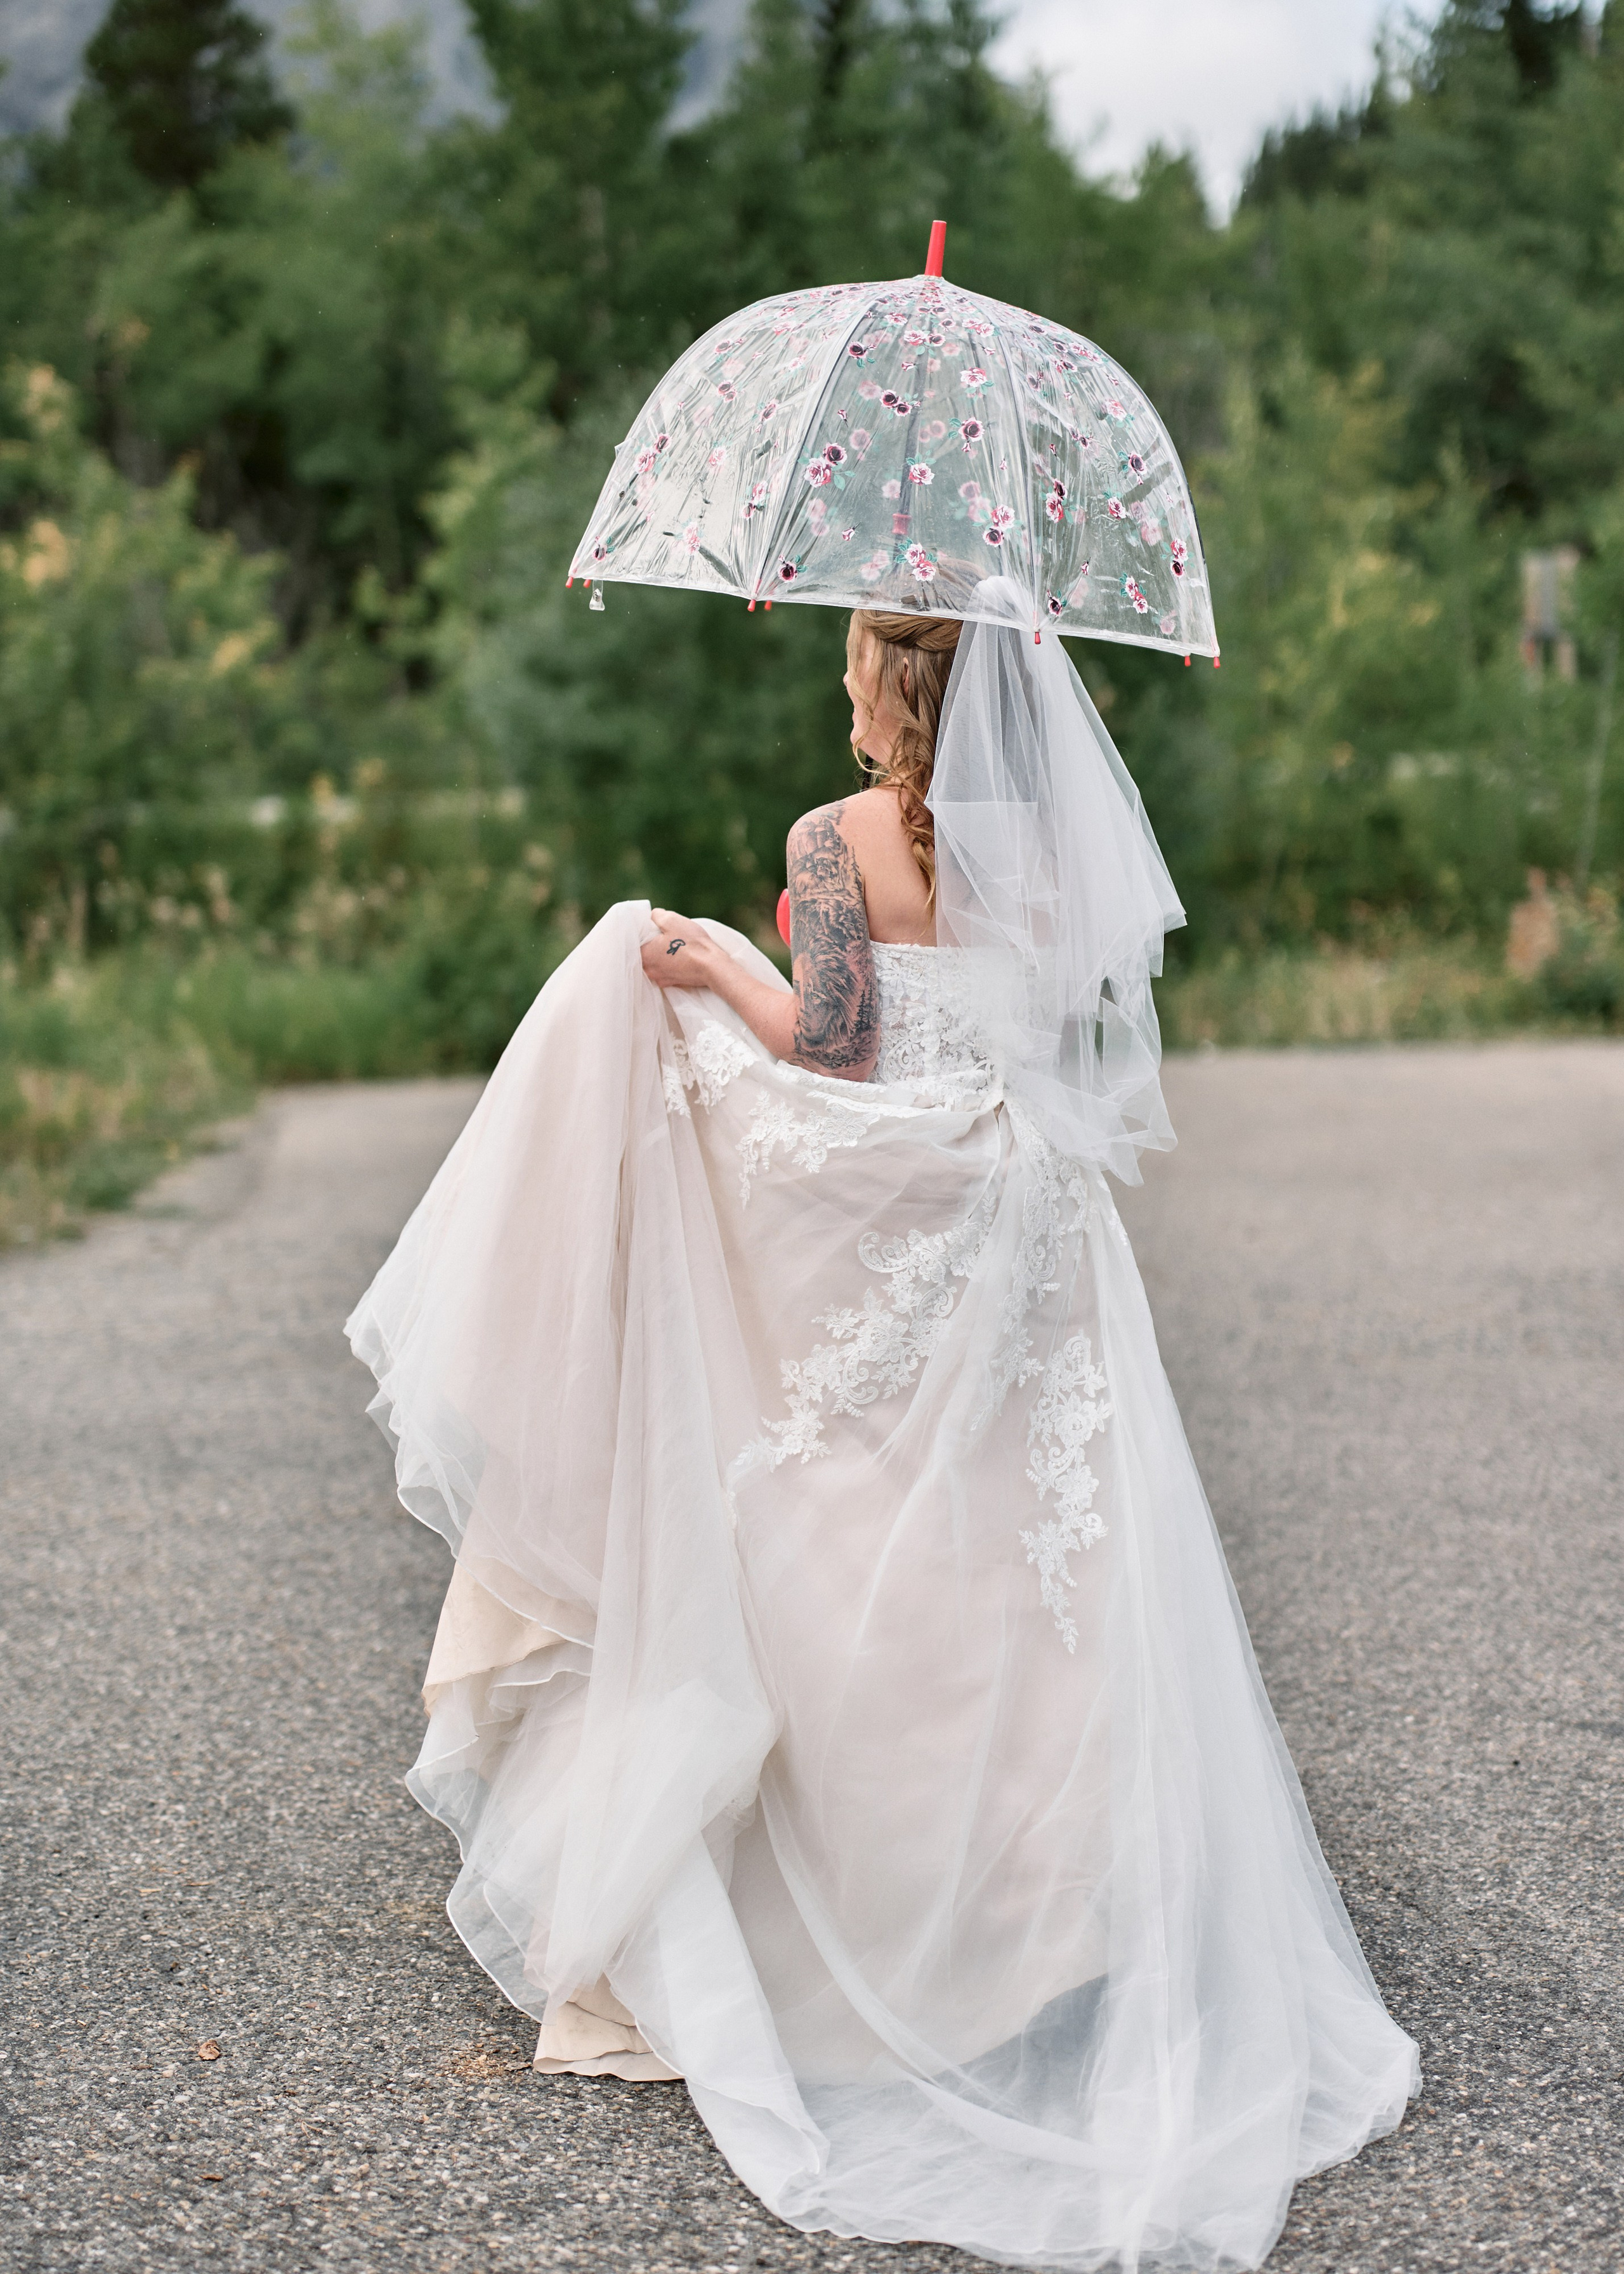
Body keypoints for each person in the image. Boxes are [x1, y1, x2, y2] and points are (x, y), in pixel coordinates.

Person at [348, 588, 1418, 2271]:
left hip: (908, 1207)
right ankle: (1033, 1936)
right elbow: (1054, 1038)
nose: (842, 679)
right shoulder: (1064, 838)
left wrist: (716, 964)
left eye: (853, 655)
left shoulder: (838, 836)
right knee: (1021, 1567)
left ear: (883, 677)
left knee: (839, 1535)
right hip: (1035, 1224)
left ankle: (857, 1940)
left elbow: (837, 1050)